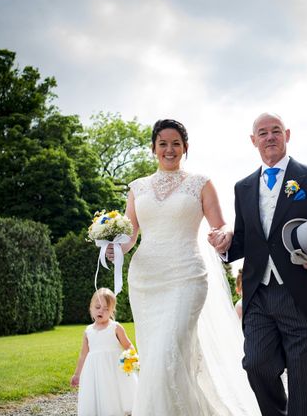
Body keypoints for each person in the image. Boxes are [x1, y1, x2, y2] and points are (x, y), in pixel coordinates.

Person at [107, 119, 260, 415]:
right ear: (153, 148)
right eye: (162, 143)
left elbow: (221, 225)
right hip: (146, 281)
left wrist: (221, 235)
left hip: (187, 277)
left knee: (169, 350)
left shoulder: (201, 183)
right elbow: (130, 236)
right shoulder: (137, 188)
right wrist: (114, 248)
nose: (169, 149)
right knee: (155, 357)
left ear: (185, 148)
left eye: (176, 143)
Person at [210, 112, 307, 416]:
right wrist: (224, 245)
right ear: (253, 141)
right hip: (258, 293)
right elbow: (247, 239)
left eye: (275, 131)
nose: (269, 137)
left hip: (301, 290)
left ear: (287, 135)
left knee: (304, 379)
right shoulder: (243, 187)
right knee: (256, 364)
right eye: (262, 133)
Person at [71, 287, 138, 416]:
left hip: (114, 369)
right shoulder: (88, 331)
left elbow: (128, 345)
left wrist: (129, 358)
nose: (101, 311)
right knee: (99, 393)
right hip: (95, 370)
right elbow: (83, 354)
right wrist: (77, 374)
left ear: (112, 311)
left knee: (113, 392)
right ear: (91, 308)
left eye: (106, 309)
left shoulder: (115, 327)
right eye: (97, 307)